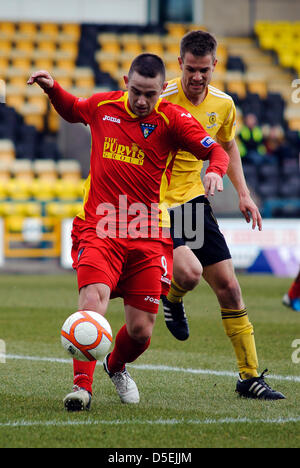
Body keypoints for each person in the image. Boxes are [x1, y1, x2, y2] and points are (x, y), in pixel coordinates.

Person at [27, 53, 229, 411]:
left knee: (141, 332)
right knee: (93, 301)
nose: (141, 101)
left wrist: (215, 168)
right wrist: (52, 89)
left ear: (160, 92)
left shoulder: (173, 119)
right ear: (125, 82)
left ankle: (116, 365)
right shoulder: (103, 106)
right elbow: (73, 108)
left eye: (150, 94)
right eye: (136, 91)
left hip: (148, 234)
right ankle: (82, 388)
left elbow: (215, 150)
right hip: (100, 228)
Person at [160, 30, 285, 400]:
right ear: (179, 63)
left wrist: (243, 194)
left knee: (229, 287)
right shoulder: (158, 98)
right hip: (153, 203)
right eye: (191, 70)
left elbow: (227, 143)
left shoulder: (224, 105)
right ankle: (173, 295)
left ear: (215, 65)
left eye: (204, 70)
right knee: (189, 272)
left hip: (191, 200)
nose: (197, 78)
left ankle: (248, 377)